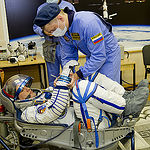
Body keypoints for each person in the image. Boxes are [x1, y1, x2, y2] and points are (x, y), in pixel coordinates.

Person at [1, 61, 149, 130]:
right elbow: (55, 109)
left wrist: (65, 83)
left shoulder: (40, 96)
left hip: (86, 113)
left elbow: (57, 97)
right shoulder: (28, 112)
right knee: (81, 88)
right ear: (15, 100)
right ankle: (127, 108)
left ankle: (126, 96)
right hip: (87, 125)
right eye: (22, 90)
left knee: (90, 77)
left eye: (27, 86)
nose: (27, 89)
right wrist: (63, 82)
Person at [33, 3, 121, 89]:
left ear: (60, 18)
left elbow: (99, 56)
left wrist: (78, 75)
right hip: (92, 57)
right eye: (51, 32)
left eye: (53, 30)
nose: (54, 34)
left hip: (108, 56)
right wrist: (65, 75)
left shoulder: (88, 23)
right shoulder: (63, 31)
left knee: (107, 91)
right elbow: (68, 57)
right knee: (93, 89)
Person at [33, 0, 76, 87]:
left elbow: (73, 23)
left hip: (64, 45)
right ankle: (54, 96)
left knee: (69, 73)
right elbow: (36, 26)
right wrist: (45, 31)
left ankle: (72, 95)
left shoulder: (67, 6)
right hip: (50, 45)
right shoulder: (41, 8)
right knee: (52, 76)